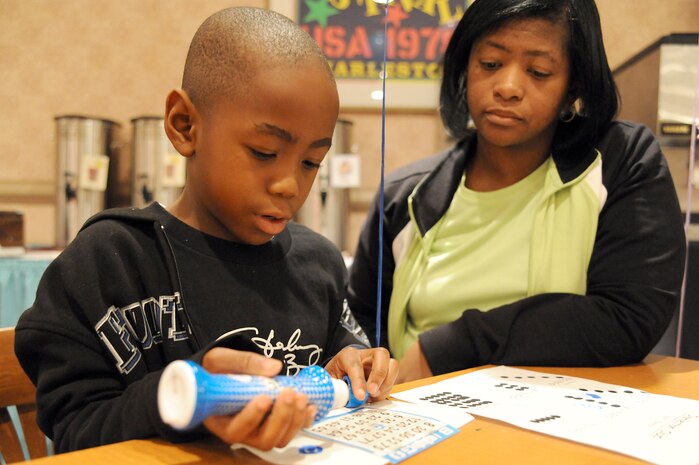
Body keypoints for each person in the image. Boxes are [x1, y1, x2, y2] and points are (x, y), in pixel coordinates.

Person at [15, 7, 398, 453]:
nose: (290, 185)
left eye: (311, 162)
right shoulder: (109, 261)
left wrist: (353, 369)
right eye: (263, 151)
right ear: (184, 125)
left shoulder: (320, 265)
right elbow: (74, 428)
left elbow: (340, 361)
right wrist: (183, 400)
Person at [347, 0, 685, 382]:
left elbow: (629, 316)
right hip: (417, 417)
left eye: (538, 72)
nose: (507, 87)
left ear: (573, 83)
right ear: (464, 66)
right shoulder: (402, 195)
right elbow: (358, 327)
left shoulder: (621, 160)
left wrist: (453, 344)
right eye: (490, 64)